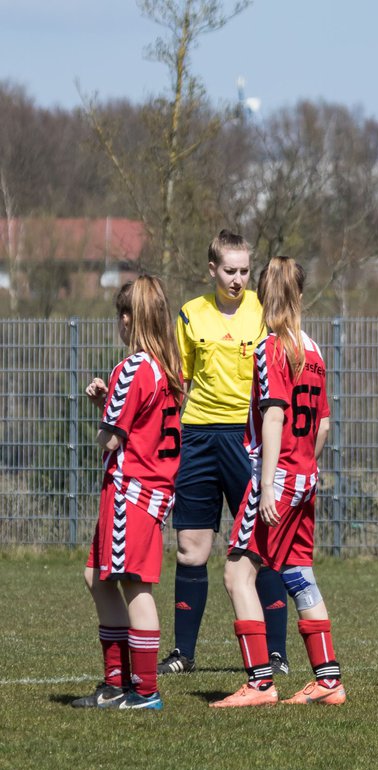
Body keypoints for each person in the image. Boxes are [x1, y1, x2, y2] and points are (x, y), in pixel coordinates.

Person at [210, 257, 347, 707]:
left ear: (264, 295)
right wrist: (304, 466)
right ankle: (328, 681)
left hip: (280, 477)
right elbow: (324, 424)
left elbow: (273, 415)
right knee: (296, 570)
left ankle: (260, 683)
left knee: (237, 574)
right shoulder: (313, 348)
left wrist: (268, 484)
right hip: (306, 475)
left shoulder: (271, 347)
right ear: (301, 295)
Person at [159, 230, 289, 675]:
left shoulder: (263, 311)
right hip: (197, 438)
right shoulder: (191, 315)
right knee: (191, 548)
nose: (237, 279)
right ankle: (183, 653)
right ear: (211, 269)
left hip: (248, 438)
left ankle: (275, 652)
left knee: (265, 546)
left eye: (244, 271)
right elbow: (178, 382)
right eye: (229, 270)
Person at [72, 276, 184, 710]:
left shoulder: (133, 367)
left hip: (130, 491)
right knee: (97, 578)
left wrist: (101, 426)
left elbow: (114, 439)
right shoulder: (165, 368)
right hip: (149, 489)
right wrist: (110, 406)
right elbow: (142, 425)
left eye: (122, 313)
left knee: (134, 587)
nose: (118, 321)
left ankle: (145, 690)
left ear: (130, 319)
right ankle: (117, 683)